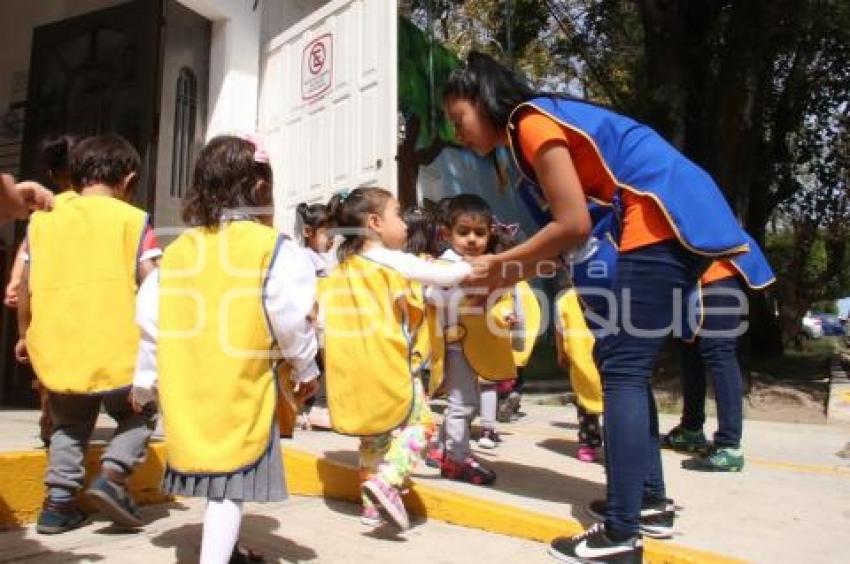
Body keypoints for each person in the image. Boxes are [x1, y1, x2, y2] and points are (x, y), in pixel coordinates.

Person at [444, 52, 756, 562]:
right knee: (621, 363)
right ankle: (649, 503)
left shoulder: (531, 122)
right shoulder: (527, 149)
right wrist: (503, 275)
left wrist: (499, 265)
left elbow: (573, 225)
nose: (459, 134)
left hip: (659, 215)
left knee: (622, 370)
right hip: (670, 215)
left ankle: (620, 534)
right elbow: (560, 244)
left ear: (484, 99)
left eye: (459, 120)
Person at [132, 135, 319, 564]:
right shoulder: (271, 248)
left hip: (190, 383)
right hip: (239, 386)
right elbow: (291, 318)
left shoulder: (178, 253)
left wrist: (144, 381)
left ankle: (227, 550)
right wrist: (306, 367)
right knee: (230, 484)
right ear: (259, 189)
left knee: (217, 476)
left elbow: (150, 322)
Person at [17, 134, 159, 534]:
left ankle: (57, 505)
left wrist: (26, 334)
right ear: (128, 181)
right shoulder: (132, 220)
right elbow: (154, 286)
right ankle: (113, 477)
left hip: (61, 349)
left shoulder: (42, 220)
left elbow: (25, 284)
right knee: (140, 414)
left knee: (68, 427)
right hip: (119, 351)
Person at [319, 186, 471, 530]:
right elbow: (446, 276)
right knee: (423, 424)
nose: (404, 222)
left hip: (352, 368)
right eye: (398, 214)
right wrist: (467, 265)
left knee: (374, 435)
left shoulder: (340, 266)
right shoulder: (386, 257)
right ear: (375, 222)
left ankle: (372, 508)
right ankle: (389, 480)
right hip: (387, 364)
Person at [664, 240, 775, 472]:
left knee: (719, 353)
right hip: (691, 281)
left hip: (717, 274)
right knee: (688, 350)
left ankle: (729, 446)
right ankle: (691, 430)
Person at [427, 194, 517, 477]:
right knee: (463, 403)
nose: (472, 239)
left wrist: (504, 315)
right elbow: (431, 294)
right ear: (447, 233)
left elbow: (496, 300)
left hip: (475, 345)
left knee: (469, 403)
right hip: (455, 346)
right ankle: (457, 458)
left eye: (479, 233)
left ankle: (441, 449)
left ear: (490, 233)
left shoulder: (486, 264)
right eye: (463, 232)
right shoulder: (446, 264)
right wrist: (461, 281)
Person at [6, 135, 81, 448]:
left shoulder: (43, 214)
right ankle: (61, 416)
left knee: (47, 364)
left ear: (52, 174)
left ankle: (49, 411)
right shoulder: (94, 212)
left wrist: (14, 280)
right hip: (75, 299)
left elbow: (27, 254)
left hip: (45, 298)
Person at [293, 201, 334, 431]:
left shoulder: (321, 260)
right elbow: (304, 287)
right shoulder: (305, 258)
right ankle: (306, 409)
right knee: (309, 364)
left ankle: (314, 407)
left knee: (320, 364)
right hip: (311, 319)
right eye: (327, 233)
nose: (332, 239)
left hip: (323, 320)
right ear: (309, 232)